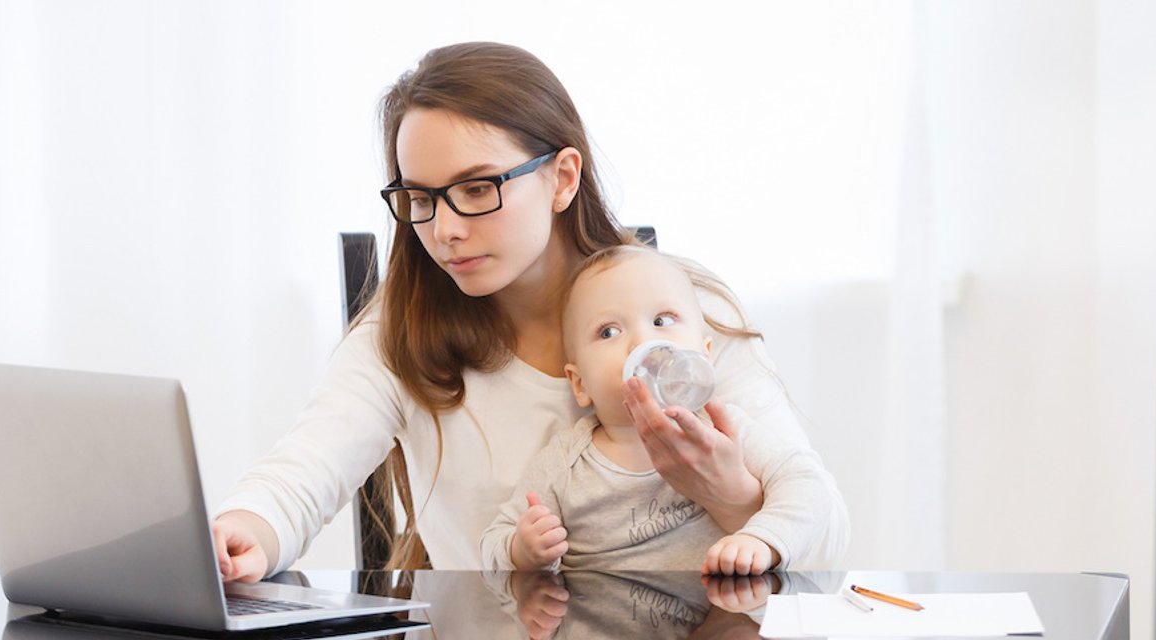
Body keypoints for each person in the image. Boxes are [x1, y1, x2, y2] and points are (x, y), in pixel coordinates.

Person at [207, 42, 849, 581]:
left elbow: (826, 547)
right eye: (421, 198)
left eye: (477, 188)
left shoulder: (680, 319)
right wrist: (245, 531)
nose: (445, 229)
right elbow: (303, 473)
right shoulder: (398, 334)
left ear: (563, 177)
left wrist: (731, 495)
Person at [480, 246, 839, 575]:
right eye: (608, 331)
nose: (643, 342)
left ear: (705, 353)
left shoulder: (724, 431)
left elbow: (809, 488)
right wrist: (521, 550)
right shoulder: (565, 463)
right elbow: (495, 539)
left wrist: (762, 539)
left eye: (662, 321)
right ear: (579, 384)